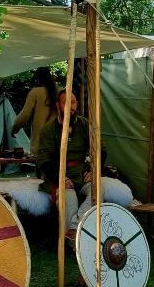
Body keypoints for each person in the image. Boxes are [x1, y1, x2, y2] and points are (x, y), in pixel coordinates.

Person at [34, 89, 106, 243]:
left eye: (72, 102)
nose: (70, 107)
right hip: (58, 174)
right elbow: (43, 159)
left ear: (77, 104)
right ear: (58, 105)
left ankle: (73, 229)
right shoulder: (49, 129)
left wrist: (93, 171)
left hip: (82, 173)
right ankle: (76, 242)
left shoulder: (86, 125)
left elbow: (101, 149)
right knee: (69, 197)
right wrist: (61, 177)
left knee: (98, 189)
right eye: (65, 103)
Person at [12, 67, 59, 155]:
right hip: (58, 141)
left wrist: (15, 128)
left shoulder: (36, 92)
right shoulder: (59, 91)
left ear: (38, 79)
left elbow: (25, 115)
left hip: (40, 143)